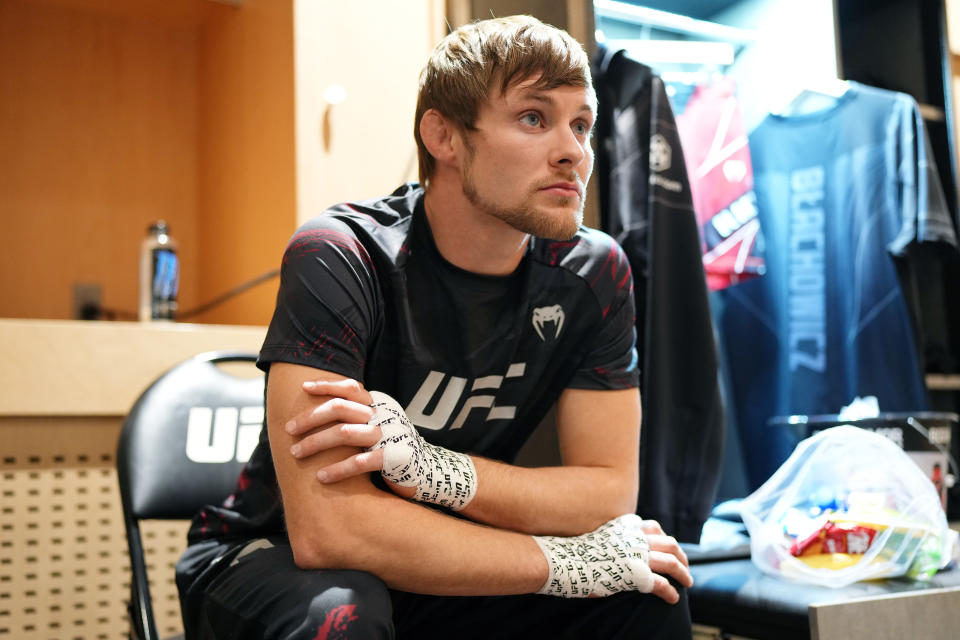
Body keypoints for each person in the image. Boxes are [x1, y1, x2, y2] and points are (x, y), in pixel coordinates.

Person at [176, 15, 694, 639]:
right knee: (344, 613)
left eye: (581, 124)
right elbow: (327, 531)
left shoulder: (594, 271)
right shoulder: (340, 254)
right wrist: (561, 562)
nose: (573, 151)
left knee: (649, 591)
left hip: (433, 551)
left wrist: (434, 470)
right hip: (268, 555)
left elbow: (608, 492)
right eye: (534, 117)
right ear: (444, 136)